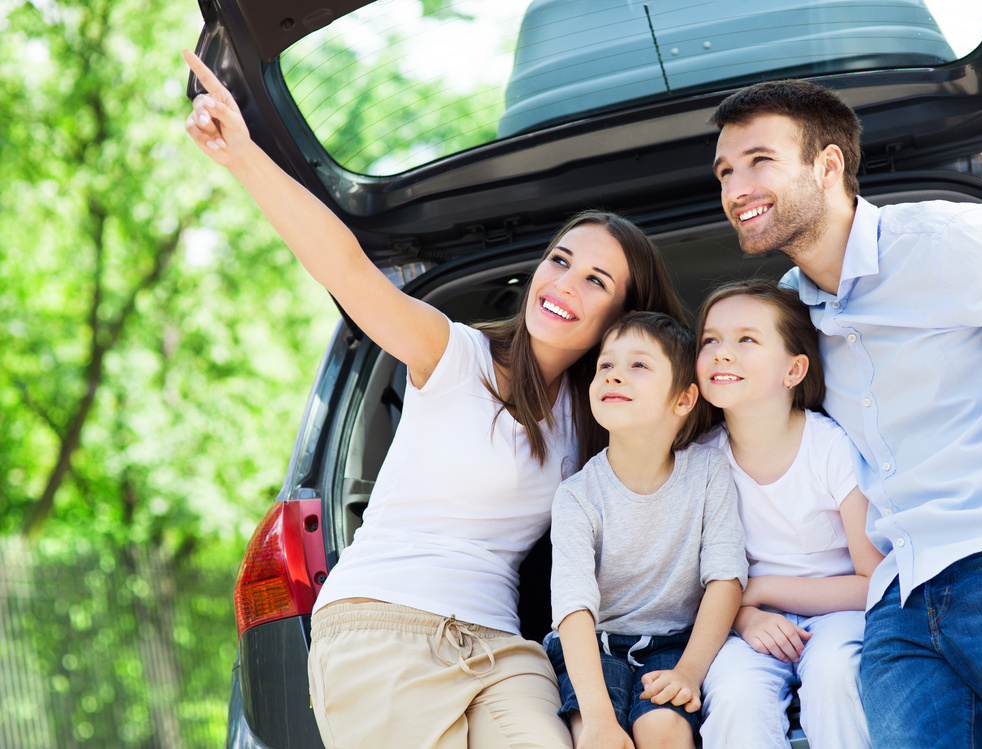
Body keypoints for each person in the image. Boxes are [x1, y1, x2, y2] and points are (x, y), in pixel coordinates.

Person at [183, 51, 686, 749]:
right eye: (561, 260)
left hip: (501, 647)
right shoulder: (454, 355)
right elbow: (346, 266)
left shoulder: (597, 416)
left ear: (622, 318)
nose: (565, 284)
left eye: (597, 280)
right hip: (382, 627)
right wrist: (243, 156)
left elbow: (685, 467)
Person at [707, 79, 982, 746]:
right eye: (726, 172)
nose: (735, 189)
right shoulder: (785, 315)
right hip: (899, 608)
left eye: (759, 161)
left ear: (829, 164)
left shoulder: (950, 240)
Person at [694, 281, 881, 749]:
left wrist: (759, 590)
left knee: (837, 675)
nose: (721, 353)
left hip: (840, 609)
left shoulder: (831, 447)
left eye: (746, 339)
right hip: (745, 620)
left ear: (794, 370)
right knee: (734, 695)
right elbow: (693, 586)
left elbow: (873, 581)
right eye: (710, 340)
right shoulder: (700, 463)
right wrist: (744, 616)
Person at [546, 311, 747, 749]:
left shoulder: (709, 473)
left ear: (683, 400)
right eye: (606, 366)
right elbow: (572, 607)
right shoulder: (576, 495)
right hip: (593, 647)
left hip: (677, 644)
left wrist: (689, 673)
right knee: (597, 738)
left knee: (665, 733)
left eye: (638, 365)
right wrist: (598, 720)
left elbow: (726, 577)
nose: (614, 376)